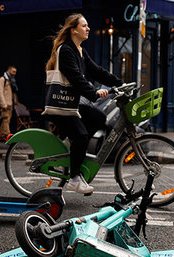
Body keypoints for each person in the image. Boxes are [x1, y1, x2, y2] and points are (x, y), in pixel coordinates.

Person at [43, 13, 123, 195]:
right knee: (80, 135)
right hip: (62, 104)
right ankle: (74, 179)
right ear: (73, 29)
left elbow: (97, 71)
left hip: (74, 103)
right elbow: (76, 78)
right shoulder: (65, 50)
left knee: (99, 118)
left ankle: (71, 146)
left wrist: (120, 83)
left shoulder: (80, 50)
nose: (88, 29)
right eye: (84, 26)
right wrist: (93, 92)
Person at [0, 65, 18, 141]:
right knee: (5, 119)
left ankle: (2, 135)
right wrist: (3, 104)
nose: (15, 73)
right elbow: (0, 93)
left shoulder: (11, 80)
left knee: (7, 120)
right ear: (9, 70)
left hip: (10, 103)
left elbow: (13, 92)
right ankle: (7, 135)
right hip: (5, 103)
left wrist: (15, 101)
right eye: (13, 71)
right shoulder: (2, 79)